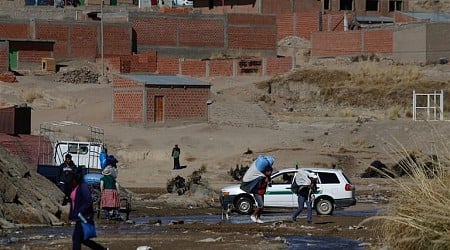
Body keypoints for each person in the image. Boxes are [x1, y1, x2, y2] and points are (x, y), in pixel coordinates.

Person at [67, 171, 107, 250]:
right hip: (79, 216)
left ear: (75, 180)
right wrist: (72, 215)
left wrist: (79, 211)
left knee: (76, 238)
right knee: (82, 239)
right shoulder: (75, 188)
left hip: (84, 216)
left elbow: (88, 201)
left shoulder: (83, 187)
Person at [240, 155, 275, 223]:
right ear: (266, 171)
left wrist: (268, 181)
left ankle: (258, 218)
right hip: (257, 192)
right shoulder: (260, 177)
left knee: (262, 206)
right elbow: (258, 185)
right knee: (260, 205)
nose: (270, 173)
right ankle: (253, 216)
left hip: (261, 192)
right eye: (269, 172)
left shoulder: (266, 177)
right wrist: (264, 182)